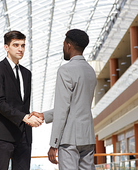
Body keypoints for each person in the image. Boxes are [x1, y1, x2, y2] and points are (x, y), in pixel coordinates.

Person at [30, 29, 97, 170]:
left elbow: (62, 109)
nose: (63, 48)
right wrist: (44, 116)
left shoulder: (66, 70)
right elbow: (75, 105)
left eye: (63, 44)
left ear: (68, 45)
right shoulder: (91, 71)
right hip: (88, 138)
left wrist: (54, 144)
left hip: (70, 139)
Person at [0, 30, 43, 170]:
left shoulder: (26, 73)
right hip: (3, 135)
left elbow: (23, 104)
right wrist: (24, 117)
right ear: (6, 47)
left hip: (23, 136)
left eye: (23, 45)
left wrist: (30, 118)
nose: (20, 49)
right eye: (16, 45)